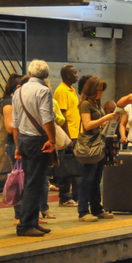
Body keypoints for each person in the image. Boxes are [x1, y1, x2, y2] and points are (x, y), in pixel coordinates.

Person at [12, 60, 57, 238]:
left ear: (29, 74)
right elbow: (47, 118)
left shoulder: (18, 91)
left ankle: (32, 222)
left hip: (23, 139)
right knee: (33, 183)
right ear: (46, 76)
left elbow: (15, 122)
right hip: (38, 141)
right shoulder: (44, 91)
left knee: (35, 182)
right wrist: (52, 141)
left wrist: (17, 145)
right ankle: (25, 226)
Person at [75, 76, 118, 222]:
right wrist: (105, 118)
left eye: (101, 91)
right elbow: (87, 125)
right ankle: (83, 211)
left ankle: (97, 208)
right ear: (92, 90)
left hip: (99, 143)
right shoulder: (85, 104)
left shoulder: (96, 103)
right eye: (98, 91)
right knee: (88, 178)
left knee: (96, 178)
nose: (100, 94)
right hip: (90, 145)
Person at [52, 64, 80, 207]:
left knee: (74, 167)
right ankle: (64, 197)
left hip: (76, 133)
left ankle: (76, 196)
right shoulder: (61, 91)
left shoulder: (72, 90)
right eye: (75, 73)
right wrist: (67, 138)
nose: (77, 75)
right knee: (65, 168)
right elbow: (61, 115)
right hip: (68, 136)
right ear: (68, 75)